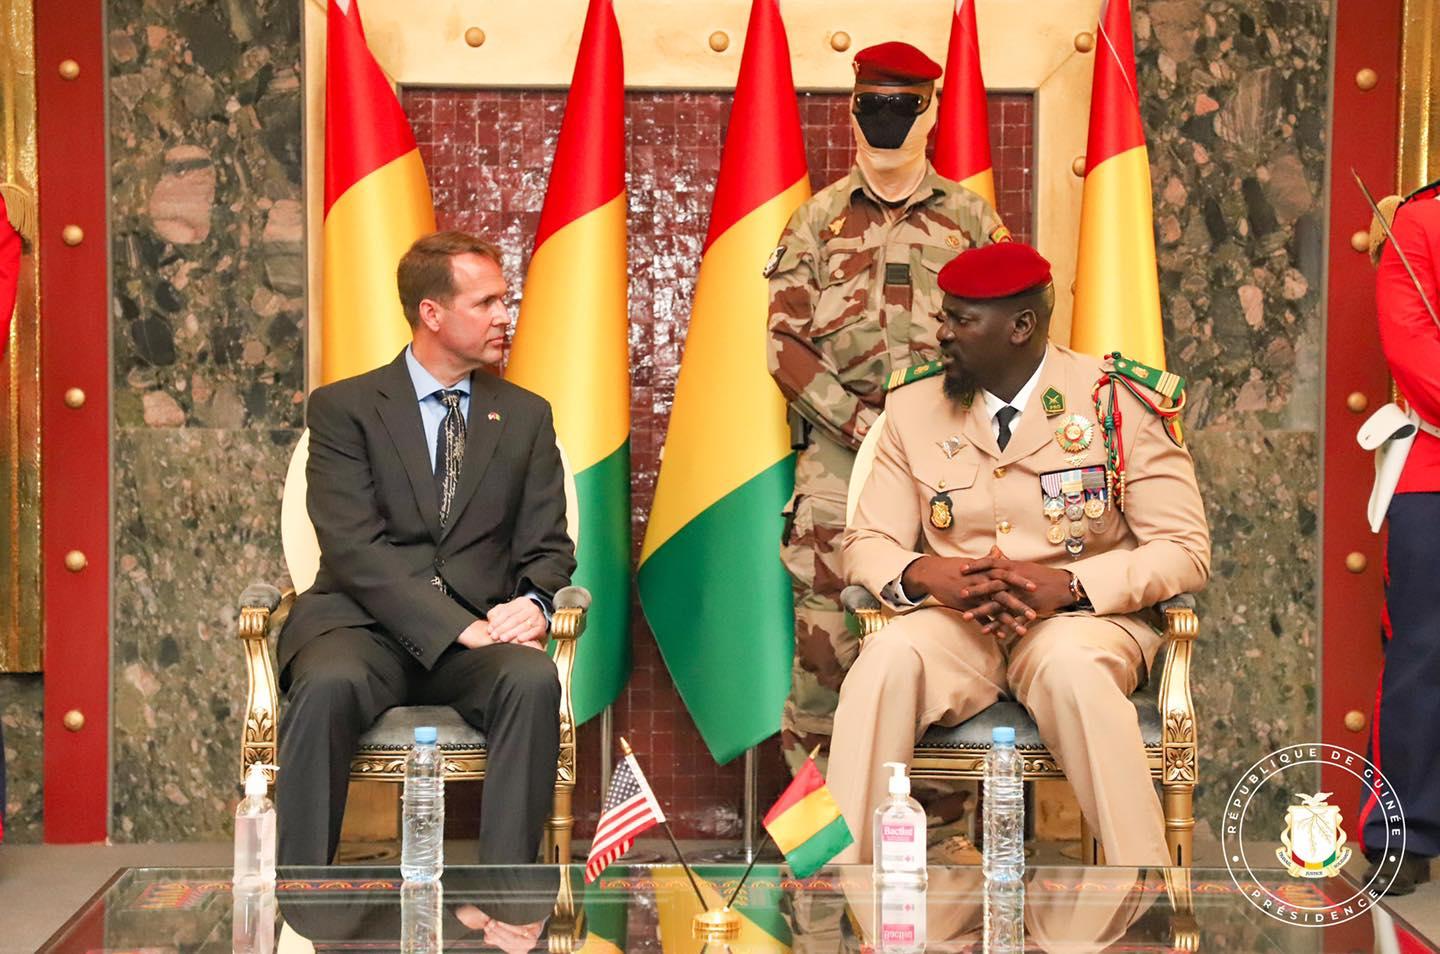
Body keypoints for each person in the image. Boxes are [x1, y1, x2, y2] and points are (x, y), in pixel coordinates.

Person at [828, 241, 1209, 866]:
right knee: (884, 659)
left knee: (1072, 670)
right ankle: (839, 892)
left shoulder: (1115, 401)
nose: (942, 333)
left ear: (1021, 326)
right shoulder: (913, 406)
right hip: (958, 626)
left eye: (960, 320)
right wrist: (925, 573)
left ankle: (1141, 887)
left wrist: (1074, 586)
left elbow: (1184, 549)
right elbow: (867, 542)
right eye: (944, 316)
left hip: (1079, 625)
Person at [275, 230, 575, 866]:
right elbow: (354, 549)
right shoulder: (344, 409)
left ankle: (502, 899)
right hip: (363, 627)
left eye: (504, 300)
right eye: (486, 302)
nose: (504, 315)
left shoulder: (526, 416)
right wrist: (456, 626)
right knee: (326, 683)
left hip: (479, 640)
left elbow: (547, 545)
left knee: (531, 678)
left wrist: (534, 603)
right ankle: (305, 898)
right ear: (431, 313)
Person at [766, 40, 1008, 775]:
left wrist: (925, 428)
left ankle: (937, 830)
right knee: (824, 655)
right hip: (841, 463)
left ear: (931, 112)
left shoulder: (971, 221)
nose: (886, 119)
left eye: (903, 106)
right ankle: (819, 830)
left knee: (942, 642)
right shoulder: (817, 222)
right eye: (872, 105)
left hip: (951, 461)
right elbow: (785, 347)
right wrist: (869, 427)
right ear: (851, 109)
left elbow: (1008, 339)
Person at [1364, 176, 1440, 895]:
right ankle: (1404, 830)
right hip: (1435, 475)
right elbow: (1415, 354)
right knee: (1424, 654)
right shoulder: (1418, 223)